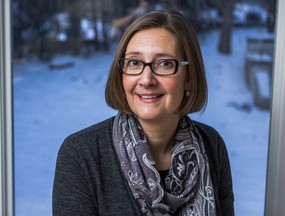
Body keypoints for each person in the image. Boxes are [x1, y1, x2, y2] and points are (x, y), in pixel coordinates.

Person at [52, 10, 234, 216]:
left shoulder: (212, 145)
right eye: (134, 63)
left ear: (189, 77)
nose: (146, 80)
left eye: (164, 63)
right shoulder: (81, 155)